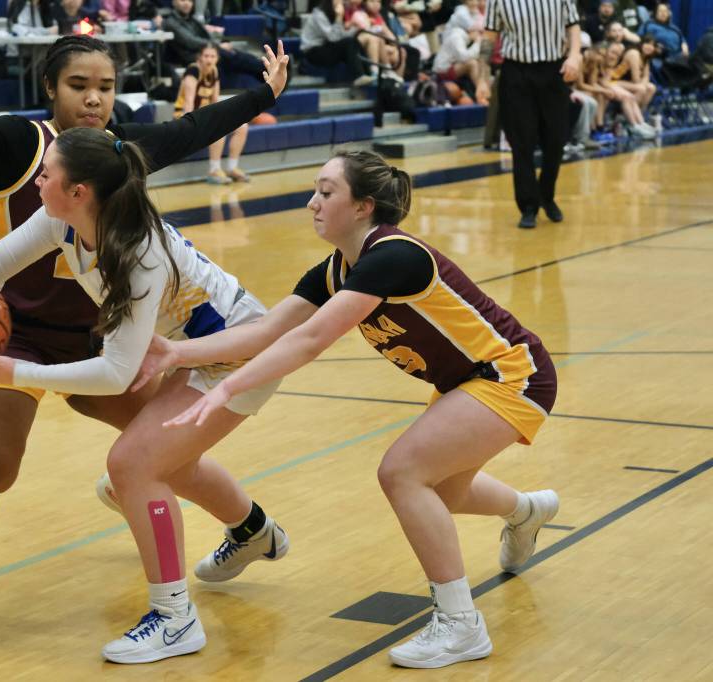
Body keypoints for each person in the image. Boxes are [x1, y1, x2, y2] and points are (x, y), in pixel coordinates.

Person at [0, 35, 290, 635]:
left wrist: (262, 93)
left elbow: (198, 127)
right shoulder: (24, 148)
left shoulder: (120, 158)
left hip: (109, 339)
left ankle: (249, 530)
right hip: (16, 333)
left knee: (162, 455)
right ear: (49, 87)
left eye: (106, 87)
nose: (95, 99)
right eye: (79, 86)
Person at [143, 150, 559, 670]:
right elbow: (268, 331)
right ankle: (526, 511)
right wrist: (180, 352)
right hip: (466, 381)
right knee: (445, 488)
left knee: (403, 473)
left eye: (326, 191)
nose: (312, 201)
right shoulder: (337, 268)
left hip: (511, 374)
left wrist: (225, 391)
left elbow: (311, 339)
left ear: (363, 207)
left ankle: (460, 625)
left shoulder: (393, 256)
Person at [0, 128, 287, 663]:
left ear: (78, 190)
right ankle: (255, 532)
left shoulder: (137, 255)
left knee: (134, 465)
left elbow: (116, 374)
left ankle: (175, 618)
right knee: (164, 463)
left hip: (236, 355)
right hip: (183, 350)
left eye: (47, 171)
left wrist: (18, 373)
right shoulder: (64, 218)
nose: (39, 178)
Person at [483, 0, 582, 229]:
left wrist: (575, 55)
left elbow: (573, 26)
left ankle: (546, 195)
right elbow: (489, 37)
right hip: (516, 72)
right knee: (521, 142)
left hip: (553, 69)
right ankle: (528, 206)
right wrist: (481, 76)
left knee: (556, 140)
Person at [174, 43, 250, 184]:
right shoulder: (193, 71)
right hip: (185, 116)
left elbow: (215, 101)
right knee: (218, 128)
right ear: (200, 58)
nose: (209, 59)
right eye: (206, 56)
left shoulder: (214, 71)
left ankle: (232, 168)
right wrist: (187, 126)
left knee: (242, 126)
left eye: (212, 56)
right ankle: (214, 170)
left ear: (217, 58)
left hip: (203, 115)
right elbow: (188, 102)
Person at [164, 0, 266, 85]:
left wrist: (217, 44)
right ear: (174, 2)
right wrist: (217, 45)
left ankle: (267, 76)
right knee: (237, 58)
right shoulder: (171, 22)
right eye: (182, 0)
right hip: (194, 56)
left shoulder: (191, 19)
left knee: (241, 56)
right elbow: (190, 41)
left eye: (190, 1)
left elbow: (204, 37)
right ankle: (268, 75)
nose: (187, 3)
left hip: (207, 50)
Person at [300, 0, 378, 86]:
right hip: (313, 52)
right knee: (349, 42)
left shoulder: (333, 13)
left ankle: (369, 74)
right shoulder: (319, 14)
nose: (341, 2)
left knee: (354, 42)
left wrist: (356, 30)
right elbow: (334, 38)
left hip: (326, 47)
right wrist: (339, 17)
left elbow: (341, 36)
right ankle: (358, 76)